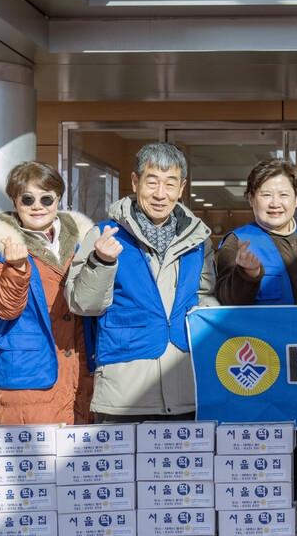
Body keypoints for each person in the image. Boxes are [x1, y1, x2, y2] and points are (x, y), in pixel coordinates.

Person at [65, 142, 218, 422]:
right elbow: (82, 303)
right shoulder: (104, 235)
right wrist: (102, 261)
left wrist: (208, 312)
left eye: (170, 184)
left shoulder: (197, 240)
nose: (161, 194)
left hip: (188, 386)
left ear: (181, 188)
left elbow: (205, 295)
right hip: (125, 392)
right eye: (152, 182)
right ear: (135, 182)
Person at [0, 161, 95, 424]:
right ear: (15, 201)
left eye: (46, 198)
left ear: (58, 199)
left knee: (77, 462)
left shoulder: (85, 242)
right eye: (27, 199)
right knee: (28, 464)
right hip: (26, 378)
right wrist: (15, 267)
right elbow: (4, 308)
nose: (38, 206)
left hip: (81, 372)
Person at [216, 158, 297, 305]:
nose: (275, 203)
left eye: (284, 195)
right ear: (251, 199)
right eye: (266, 195)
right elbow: (225, 301)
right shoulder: (237, 242)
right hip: (264, 328)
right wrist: (247, 275)